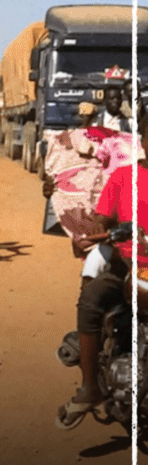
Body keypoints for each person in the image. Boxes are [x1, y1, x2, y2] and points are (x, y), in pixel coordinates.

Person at [56, 117, 148, 429]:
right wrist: (103, 228)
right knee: (92, 299)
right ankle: (90, 387)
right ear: (143, 142)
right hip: (128, 265)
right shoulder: (124, 177)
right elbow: (102, 217)